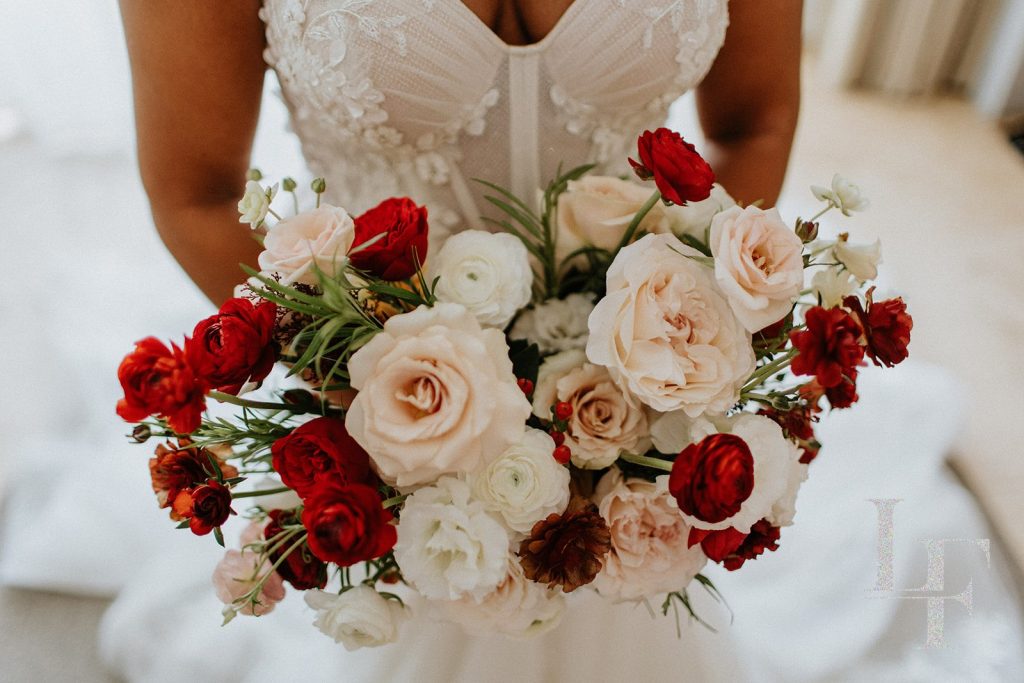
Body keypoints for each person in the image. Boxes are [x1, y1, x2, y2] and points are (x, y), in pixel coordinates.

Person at [102, 2, 804, 680]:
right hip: (395, 405)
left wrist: (681, 345)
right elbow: (193, 192)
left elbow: (756, 123)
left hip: (637, 402)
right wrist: (369, 392)